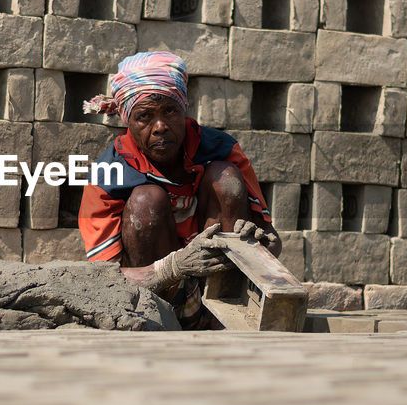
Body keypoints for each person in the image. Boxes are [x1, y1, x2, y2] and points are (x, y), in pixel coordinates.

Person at [78, 51, 281, 326]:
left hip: (214, 290)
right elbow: (105, 278)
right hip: (154, 292)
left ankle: (222, 310)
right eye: (145, 117)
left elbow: (271, 237)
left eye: (170, 111)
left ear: (184, 108)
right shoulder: (108, 176)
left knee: (227, 178)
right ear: (128, 121)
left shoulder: (220, 149)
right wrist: (172, 268)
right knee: (146, 201)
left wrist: (260, 246)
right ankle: (166, 315)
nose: (160, 126)